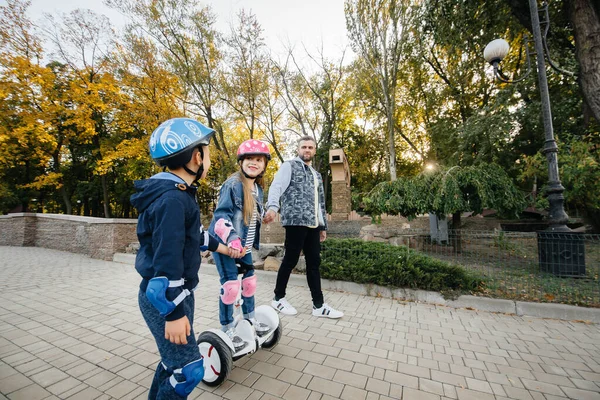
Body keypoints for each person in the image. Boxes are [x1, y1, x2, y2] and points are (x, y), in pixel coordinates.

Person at [131, 117, 231, 399]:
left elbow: (195, 237)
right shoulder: (173, 200)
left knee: (172, 362)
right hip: (166, 299)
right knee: (189, 371)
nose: (208, 160)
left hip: (176, 295)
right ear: (196, 156)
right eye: (207, 153)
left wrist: (226, 249)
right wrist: (173, 312)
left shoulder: (177, 194)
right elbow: (167, 259)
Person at [263, 136, 343, 319]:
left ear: (315, 151)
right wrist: (273, 208)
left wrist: (323, 226)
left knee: (314, 263)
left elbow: (320, 203)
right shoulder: (289, 166)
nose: (307, 150)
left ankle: (319, 305)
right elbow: (276, 186)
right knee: (290, 260)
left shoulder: (316, 175)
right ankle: (278, 298)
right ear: (298, 149)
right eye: (304, 147)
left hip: (314, 225)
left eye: (311, 147)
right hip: (295, 222)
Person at [209, 139, 272, 351]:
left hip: (243, 246)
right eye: (249, 159)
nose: (254, 163)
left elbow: (251, 214)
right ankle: (227, 329)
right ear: (241, 161)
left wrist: (265, 216)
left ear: (264, 165)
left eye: (258, 160)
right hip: (226, 244)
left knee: (249, 282)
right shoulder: (233, 184)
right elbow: (221, 216)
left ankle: (250, 320)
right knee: (230, 286)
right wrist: (232, 238)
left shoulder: (257, 189)